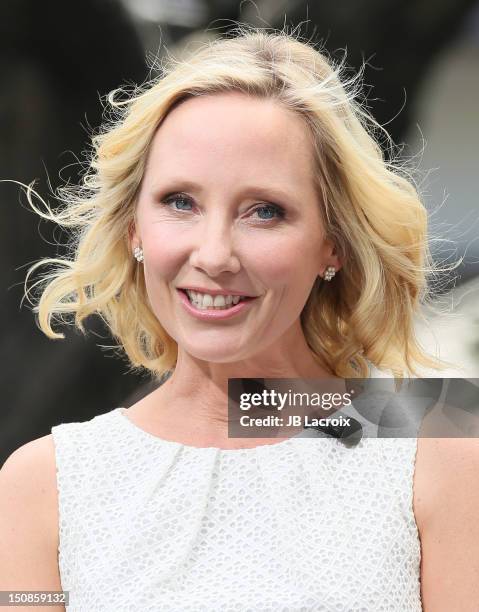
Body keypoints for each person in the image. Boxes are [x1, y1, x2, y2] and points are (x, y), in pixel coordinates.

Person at [1, 26, 478, 611]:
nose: (214, 255)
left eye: (265, 212)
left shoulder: (442, 448)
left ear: (333, 244)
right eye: (181, 202)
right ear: (134, 228)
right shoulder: (42, 484)